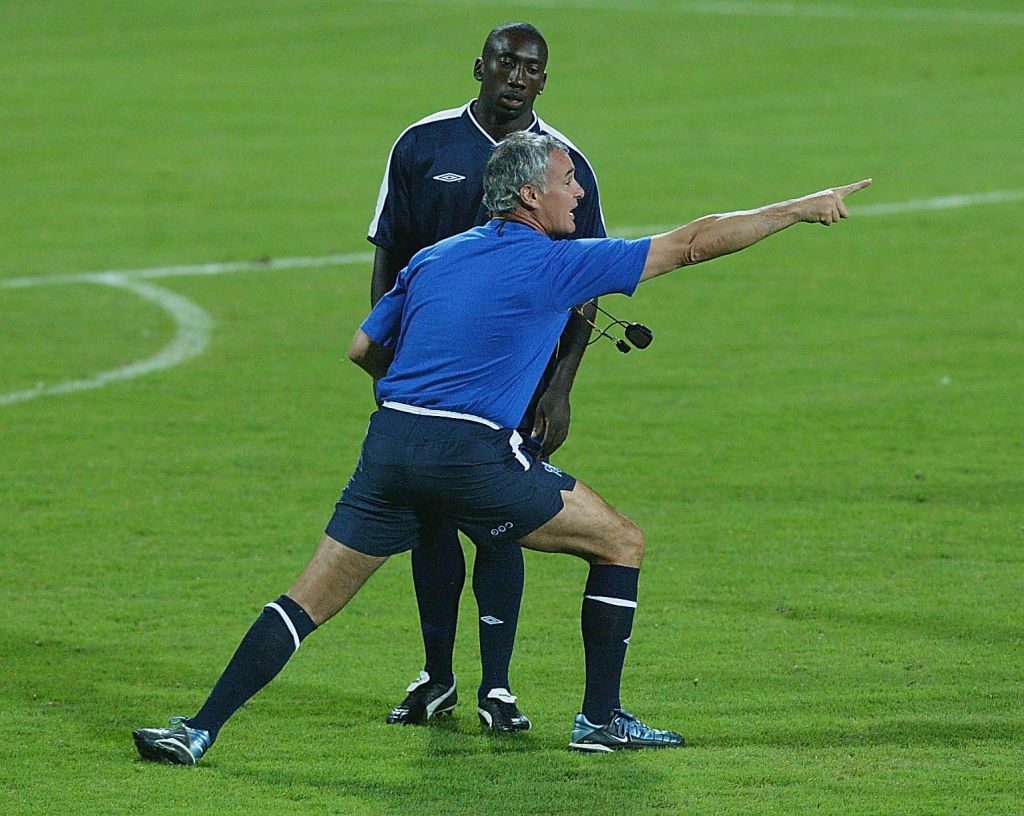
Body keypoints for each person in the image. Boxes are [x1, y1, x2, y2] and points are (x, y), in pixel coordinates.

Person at [133, 131, 871, 763]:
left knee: (307, 600)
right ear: (527, 197)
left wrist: (420, 403)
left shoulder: (434, 258)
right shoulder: (559, 262)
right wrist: (799, 208)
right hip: (470, 455)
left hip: (389, 445)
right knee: (620, 541)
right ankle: (600, 720)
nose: (578, 191)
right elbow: (692, 242)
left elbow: (362, 346)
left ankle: (197, 730)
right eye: (566, 179)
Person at [367, 22, 607, 732]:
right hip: (428, 378)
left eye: (531, 67)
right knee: (428, 522)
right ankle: (436, 676)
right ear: (480, 65)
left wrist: (562, 385)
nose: (516, 74)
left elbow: (587, 279)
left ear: (543, 80)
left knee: (502, 524)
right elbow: (391, 255)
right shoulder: (423, 145)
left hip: (518, 381)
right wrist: (387, 362)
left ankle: (496, 687)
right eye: (505, 60)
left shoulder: (564, 163)